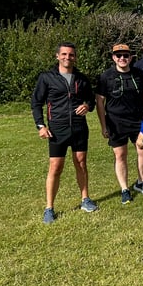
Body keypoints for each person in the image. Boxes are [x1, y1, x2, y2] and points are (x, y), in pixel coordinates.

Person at [31, 42, 97, 224]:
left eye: (71, 55)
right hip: (57, 129)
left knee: (81, 163)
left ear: (75, 57)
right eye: (64, 54)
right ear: (57, 56)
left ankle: (85, 199)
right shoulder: (47, 78)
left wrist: (86, 106)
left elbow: (91, 100)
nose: (68, 57)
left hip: (78, 128)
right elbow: (36, 103)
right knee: (55, 167)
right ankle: (49, 208)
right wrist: (40, 126)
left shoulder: (81, 78)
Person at [96, 43, 143, 205]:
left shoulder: (138, 74)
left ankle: (141, 182)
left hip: (137, 120)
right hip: (115, 122)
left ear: (130, 57)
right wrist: (103, 125)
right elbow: (100, 102)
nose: (122, 58)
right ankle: (124, 189)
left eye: (125, 55)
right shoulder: (105, 76)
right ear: (113, 57)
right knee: (120, 155)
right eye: (119, 55)